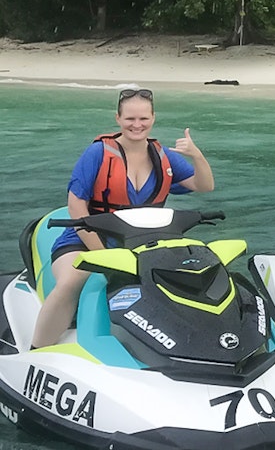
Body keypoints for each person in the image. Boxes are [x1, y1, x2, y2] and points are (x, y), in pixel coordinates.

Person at [31, 88, 215, 349]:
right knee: (73, 280)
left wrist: (196, 155)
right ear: (118, 118)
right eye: (130, 119)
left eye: (143, 119)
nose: (137, 125)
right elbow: (76, 205)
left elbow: (204, 185)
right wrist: (102, 254)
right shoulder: (97, 153)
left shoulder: (164, 156)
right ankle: (38, 348)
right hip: (87, 239)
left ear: (153, 118)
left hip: (142, 241)